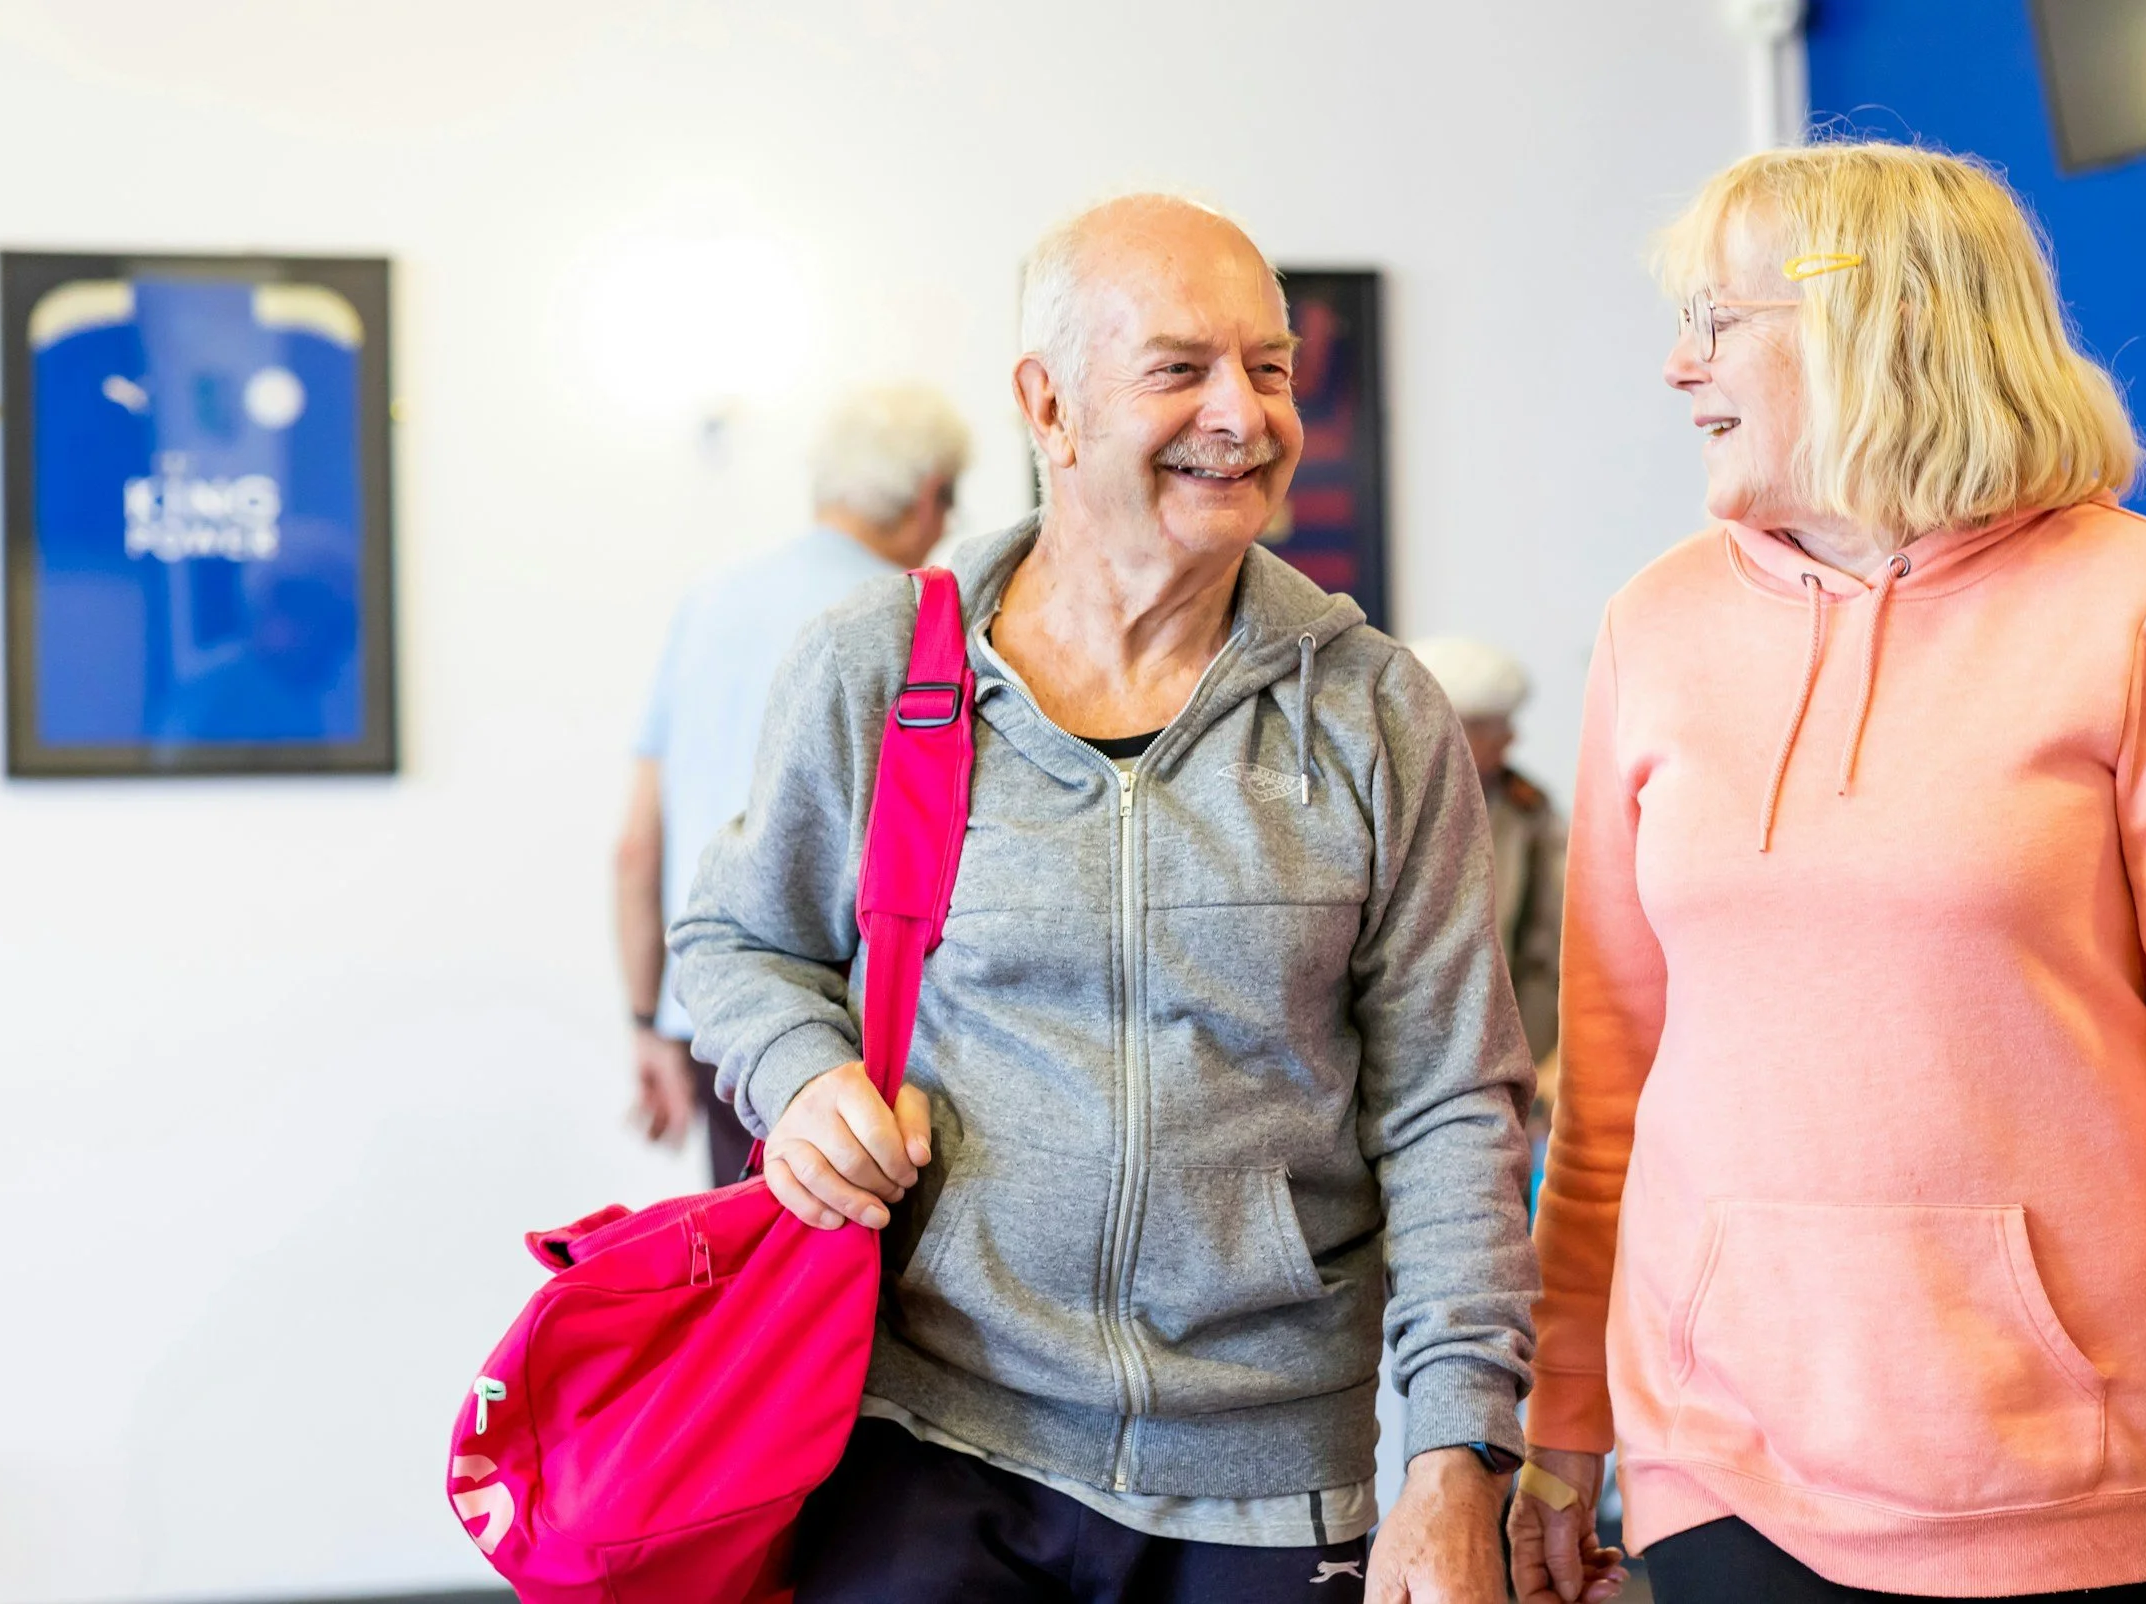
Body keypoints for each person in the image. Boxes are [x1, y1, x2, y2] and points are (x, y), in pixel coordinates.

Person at [1510, 143, 2146, 1604]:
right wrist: (1563, 1417)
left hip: (2085, 1471)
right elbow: (1608, 1082)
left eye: (1720, 320)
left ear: (1877, 318)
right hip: (1727, 1460)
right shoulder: (1655, 627)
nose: (1678, 365)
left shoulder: (2137, 599)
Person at [671, 194, 1540, 1603]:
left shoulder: (1377, 711)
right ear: (1048, 406)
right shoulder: (875, 670)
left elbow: (1450, 1104)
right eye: (1180, 369)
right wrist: (800, 1072)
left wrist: (1458, 1454)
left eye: (1269, 368)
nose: (1242, 414)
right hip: (927, 1437)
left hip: (1266, 1477)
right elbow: (737, 939)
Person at [617, 384, 968, 1186]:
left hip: (716, 1021)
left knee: (748, 1265)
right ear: (928, 496)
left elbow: (637, 845)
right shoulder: (921, 627)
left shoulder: (709, 603)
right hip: (860, 1055)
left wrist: (649, 1022)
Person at [1409, 636, 1563, 1074]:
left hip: (1493, 1049)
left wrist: (1524, 1059)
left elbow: (1547, 944)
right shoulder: (1382, 800)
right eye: (1493, 725)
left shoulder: (1525, 811)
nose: (1511, 736)